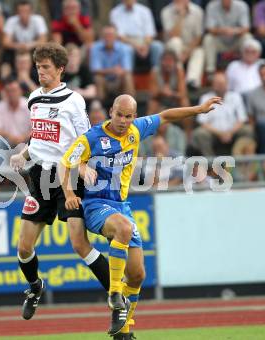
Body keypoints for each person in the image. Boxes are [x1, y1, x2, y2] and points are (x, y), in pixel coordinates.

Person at [60, 94, 221, 338]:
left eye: (128, 116)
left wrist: (199, 109)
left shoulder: (137, 130)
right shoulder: (92, 137)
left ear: (134, 116)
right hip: (96, 205)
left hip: (121, 206)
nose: (123, 121)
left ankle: (123, 332)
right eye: (119, 115)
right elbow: (65, 164)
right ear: (110, 112)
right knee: (124, 229)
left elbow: (166, 115)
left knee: (137, 274)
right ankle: (115, 295)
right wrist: (71, 191)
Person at [9, 43, 110, 321]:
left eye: (46, 67)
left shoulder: (73, 100)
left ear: (60, 69)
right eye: (38, 67)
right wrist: (25, 152)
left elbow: (85, 138)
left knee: (79, 244)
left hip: (67, 176)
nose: (40, 72)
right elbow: (40, 135)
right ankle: (34, 287)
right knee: (24, 248)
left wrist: (85, 165)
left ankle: (117, 294)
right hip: (40, 178)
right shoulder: (33, 98)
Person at [192, 72, 252, 156]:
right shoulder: (205, 98)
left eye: (222, 83)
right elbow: (203, 123)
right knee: (200, 133)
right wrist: (221, 134)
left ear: (227, 84)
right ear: (212, 85)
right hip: (213, 134)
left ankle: (240, 162)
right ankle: (211, 165)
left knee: (247, 130)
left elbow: (241, 120)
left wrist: (230, 133)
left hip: (233, 132)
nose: (220, 86)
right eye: (217, 83)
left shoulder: (235, 96)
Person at [161, 0, 205, 89]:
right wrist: (181, 16)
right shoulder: (166, 12)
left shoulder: (198, 11)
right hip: (171, 47)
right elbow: (174, 34)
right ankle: (178, 78)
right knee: (176, 41)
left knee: (200, 52)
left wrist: (187, 53)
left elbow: (198, 37)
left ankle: (192, 81)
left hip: (190, 47)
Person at [110, 0, 164, 71]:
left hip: (144, 40)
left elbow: (150, 33)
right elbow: (120, 36)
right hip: (126, 42)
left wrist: (145, 46)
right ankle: (129, 77)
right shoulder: (115, 12)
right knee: (127, 50)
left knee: (158, 46)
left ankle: (156, 74)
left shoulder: (145, 11)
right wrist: (136, 47)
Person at [203, 0, 252, 76]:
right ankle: (210, 71)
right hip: (220, 40)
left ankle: (247, 68)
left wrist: (234, 31)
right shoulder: (212, 5)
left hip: (236, 40)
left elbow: (246, 28)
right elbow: (209, 29)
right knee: (208, 38)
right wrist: (222, 30)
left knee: (247, 37)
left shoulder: (242, 5)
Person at [90, 25, 135, 102]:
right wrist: (113, 70)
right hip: (104, 81)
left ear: (116, 36)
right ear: (102, 37)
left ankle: (130, 105)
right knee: (98, 78)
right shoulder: (95, 47)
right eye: (106, 35)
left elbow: (127, 69)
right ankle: (100, 108)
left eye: (110, 35)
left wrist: (119, 72)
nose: (108, 38)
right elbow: (95, 69)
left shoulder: (125, 48)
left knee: (127, 77)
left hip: (119, 80)